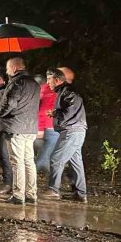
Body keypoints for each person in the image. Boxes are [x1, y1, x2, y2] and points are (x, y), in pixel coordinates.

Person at [0, 57, 40, 204]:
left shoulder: (16, 83)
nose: (7, 70)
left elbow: (10, 103)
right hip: (31, 128)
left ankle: (18, 195)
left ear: (14, 68)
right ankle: (31, 194)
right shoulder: (34, 83)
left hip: (16, 127)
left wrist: (0, 112)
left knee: (17, 162)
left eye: (8, 67)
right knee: (29, 161)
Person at [42, 69, 88, 202]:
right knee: (76, 163)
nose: (47, 82)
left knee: (56, 158)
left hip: (72, 131)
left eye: (49, 79)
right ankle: (81, 194)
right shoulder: (65, 91)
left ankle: (53, 190)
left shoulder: (67, 92)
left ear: (57, 80)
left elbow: (70, 110)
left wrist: (55, 113)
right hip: (76, 130)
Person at [33, 70, 60, 176]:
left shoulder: (53, 92)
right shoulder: (45, 90)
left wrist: (40, 129)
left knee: (43, 159)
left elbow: (47, 113)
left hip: (50, 128)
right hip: (45, 128)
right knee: (46, 155)